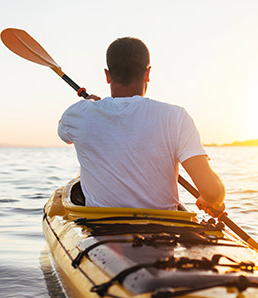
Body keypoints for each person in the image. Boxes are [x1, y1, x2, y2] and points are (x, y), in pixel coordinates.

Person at [58, 37, 225, 218]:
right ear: (147, 74)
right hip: (164, 231)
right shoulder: (176, 117)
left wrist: (90, 105)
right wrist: (213, 200)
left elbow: (63, 133)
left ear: (107, 76)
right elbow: (212, 192)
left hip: (99, 228)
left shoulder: (77, 114)